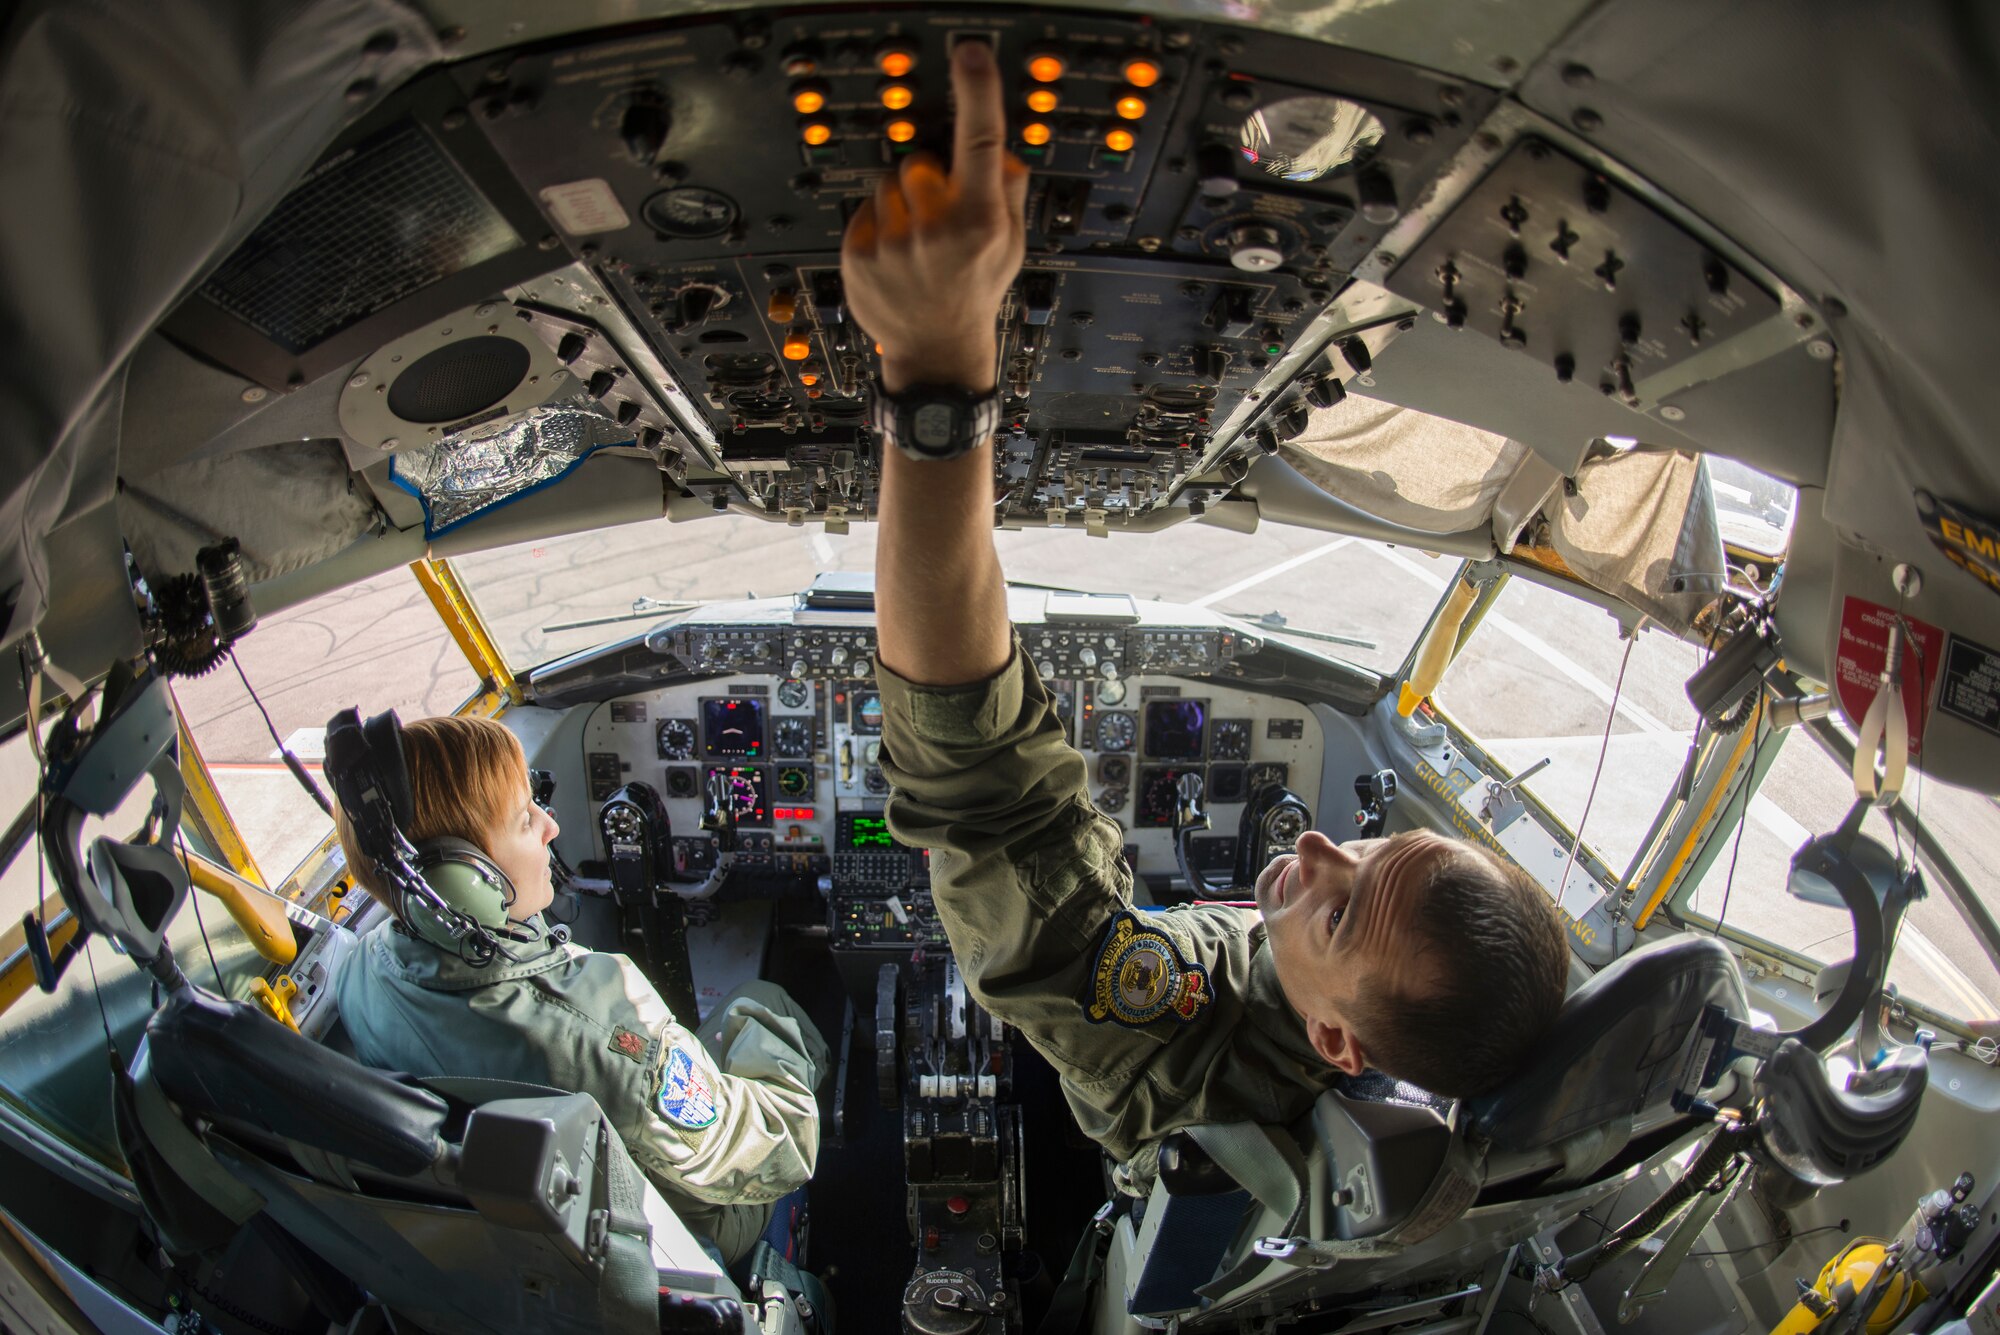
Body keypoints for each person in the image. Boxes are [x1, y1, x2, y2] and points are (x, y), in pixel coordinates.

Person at [846, 40, 1570, 1179]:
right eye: (1369, 849)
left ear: (1336, 1043)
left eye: (1337, 915)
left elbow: (990, 800)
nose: (1322, 846)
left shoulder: (1178, 1050)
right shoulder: (1357, 1045)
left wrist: (936, 365)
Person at [330, 714, 828, 1266]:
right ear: (461, 882)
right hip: (681, 1229)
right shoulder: (597, 1034)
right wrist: (789, 1092)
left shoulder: (361, 967)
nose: (551, 826)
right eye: (524, 821)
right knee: (764, 1003)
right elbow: (776, 1150)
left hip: (529, 1237)